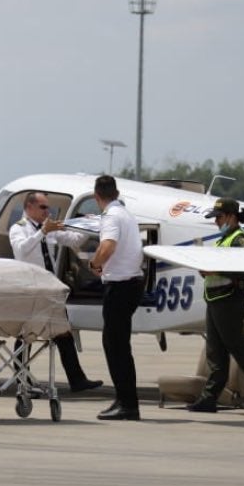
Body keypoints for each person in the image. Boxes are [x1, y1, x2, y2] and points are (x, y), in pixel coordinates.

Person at [8, 192, 103, 394]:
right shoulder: (19, 228)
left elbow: (74, 240)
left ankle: (77, 380)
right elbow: (22, 249)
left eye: (47, 207)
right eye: (43, 207)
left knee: (64, 333)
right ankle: (21, 379)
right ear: (29, 208)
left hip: (50, 288)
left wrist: (88, 224)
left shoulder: (48, 229)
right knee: (26, 335)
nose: (47, 211)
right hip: (31, 289)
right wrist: (42, 231)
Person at [186, 197, 244, 416]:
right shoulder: (223, 240)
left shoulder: (240, 240)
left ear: (232, 217)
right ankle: (209, 399)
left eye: (219, 218)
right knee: (215, 354)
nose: (216, 222)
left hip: (229, 301)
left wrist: (213, 270)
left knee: (241, 352)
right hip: (215, 301)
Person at [88, 175, 143, 421]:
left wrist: (94, 263)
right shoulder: (126, 214)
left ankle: (127, 404)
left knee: (115, 346)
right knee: (119, 346)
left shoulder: (111, 216)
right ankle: (124, 400)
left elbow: (108, 245)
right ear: (116, 192)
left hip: (120, 287)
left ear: (97, 196)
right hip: (131, 284)